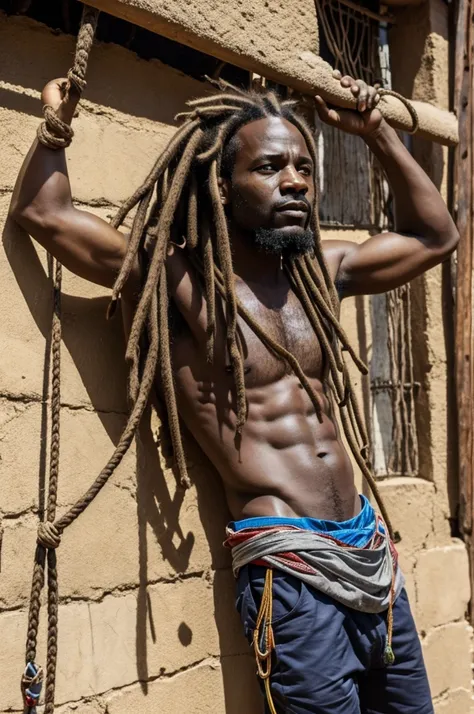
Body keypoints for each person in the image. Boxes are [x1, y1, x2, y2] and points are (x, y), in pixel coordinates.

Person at [9, 70, 458, 714]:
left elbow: (435, 237)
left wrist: (377, 134)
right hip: (292, 573)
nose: (296, 181)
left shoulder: (323, 274)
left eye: (304, 166)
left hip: (370, 558)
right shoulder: (183, 282)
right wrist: (55, 126)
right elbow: (44, 215)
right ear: (223, 186)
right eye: (271, 167)